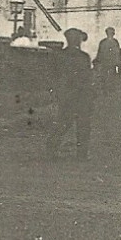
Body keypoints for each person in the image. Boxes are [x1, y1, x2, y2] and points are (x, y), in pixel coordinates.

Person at [47, 27, 94, 161]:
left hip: (66, 95)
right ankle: (82, 155)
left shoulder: (59, 56)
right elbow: (87, 77)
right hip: (82, 95)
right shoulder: (84, 57)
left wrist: (57, 92)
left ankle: (51, 148)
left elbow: (53, 76)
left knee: (63, 123)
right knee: (83, 125)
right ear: (78, 40)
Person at [93, 26, 121, 92]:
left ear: (113, 34)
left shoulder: (115, 42)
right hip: (104, 65)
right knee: (104, 80)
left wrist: (119, 66)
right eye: (109, 33)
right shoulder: (103, 42)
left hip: (112, 65)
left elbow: (118, 55)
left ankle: (111, 93)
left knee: (112, 80)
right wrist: (97, 63)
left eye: (111, 33)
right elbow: (99, 54)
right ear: (106, 33)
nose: (110, 34)